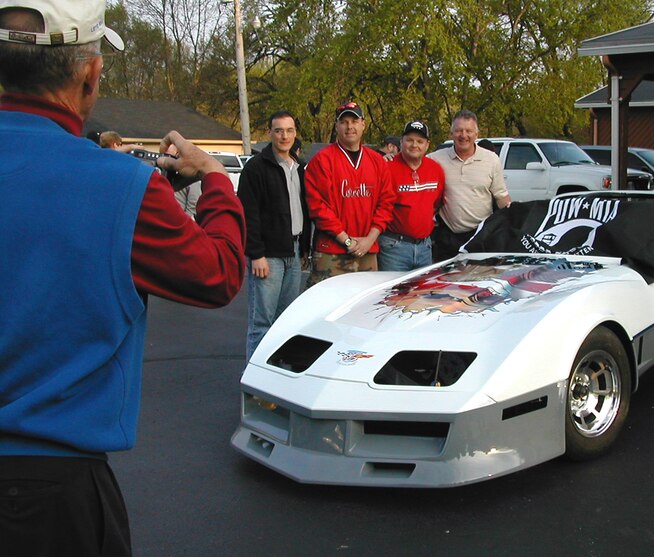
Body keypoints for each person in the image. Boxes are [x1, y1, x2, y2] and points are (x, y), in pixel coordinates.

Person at [0, 2, 246, 556]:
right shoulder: (121, 186)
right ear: (90, 72)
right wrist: (213, 179)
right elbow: (219, 273)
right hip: (54, 495)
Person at [238, 110, 310, 360]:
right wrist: (255, 254)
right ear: (270, 133)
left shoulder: (298, 167)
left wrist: (305, 249)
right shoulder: (256, 168)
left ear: (295, 133)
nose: (284, 135)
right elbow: (248, 213)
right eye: (278, 130)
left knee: (285, 322)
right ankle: (256, 387)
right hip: (267, 256)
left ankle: (276, 378)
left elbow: (304, 209)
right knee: (262, 322)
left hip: (294, 250)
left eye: (289, 130)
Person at [305, 101, 395, 285]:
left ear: (363, 124)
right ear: (337, 126)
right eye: (344, 121)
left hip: (368, 251)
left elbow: (386, 203)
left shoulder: (377, 161)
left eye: (354, 121)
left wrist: (370, 239)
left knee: (365, 309)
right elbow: (318, 207)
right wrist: (346, 240)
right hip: (332, 251)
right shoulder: (322, 160)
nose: (349, 126)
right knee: (328, 308)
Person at [428, 109, 511, 261]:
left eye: (468, 131)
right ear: (451, 133)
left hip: (481, 236)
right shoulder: (435, 159)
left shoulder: (491, 159)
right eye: (459, 130)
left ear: (476, 134)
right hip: (447, 239)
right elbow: (411, 163)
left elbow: (501, 197)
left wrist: (513, 221)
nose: (463, 135)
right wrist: (388, 158)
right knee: (449, 283)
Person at [378, 120, 445, 272]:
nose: (414, 145)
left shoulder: (435, 169)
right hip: (394, 247)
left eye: (420, 141)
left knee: (421, 294)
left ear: (427, 145)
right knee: (394, 294)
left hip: (424, 248)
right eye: (409, 140)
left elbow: (437, 203)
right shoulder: (387, 167)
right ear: (401, 142)